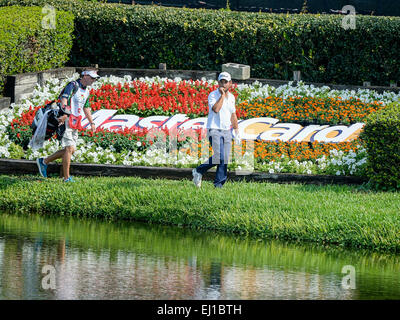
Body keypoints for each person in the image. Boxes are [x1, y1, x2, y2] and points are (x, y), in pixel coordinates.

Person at [36, 68, 100, 182]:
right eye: (92, 77)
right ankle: (66, 178)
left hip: (75, 122)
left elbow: (86, 107)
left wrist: (92, 122)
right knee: (69, 148)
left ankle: (44, 161)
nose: (93, 80)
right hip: (65, 120)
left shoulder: (86, 91)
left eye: (95, 78)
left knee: (71, 150)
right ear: (84, 76)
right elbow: (63, 100)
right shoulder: (73, 85)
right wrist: (65, 114)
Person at [192, 72, 241, 188]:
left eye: (226, 82)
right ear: (218, 82)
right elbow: (216, 109)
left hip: (226, 130)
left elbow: (233, 114)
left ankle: (219, 185)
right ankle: (199, 170)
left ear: (230, 83)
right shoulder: (213, 95)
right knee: (219, 157)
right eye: (221, 81)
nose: (223, 84)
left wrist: (237, 130)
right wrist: (222, 96)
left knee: (224, 159)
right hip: (214, 129)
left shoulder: (232, 97)